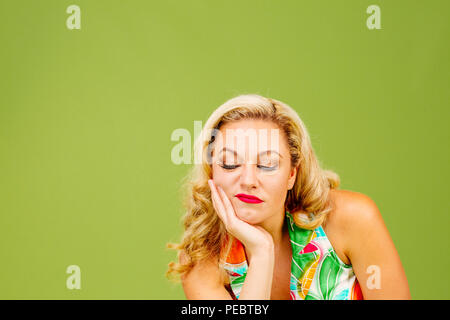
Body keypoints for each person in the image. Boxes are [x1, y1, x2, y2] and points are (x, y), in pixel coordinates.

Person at [166, 94, 410, 300]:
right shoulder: (202, 258)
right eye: (230, 164)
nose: (248, 180)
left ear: (292, 174)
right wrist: (262, 252)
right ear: (212, 172)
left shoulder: (351, 218)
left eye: (268, 164)